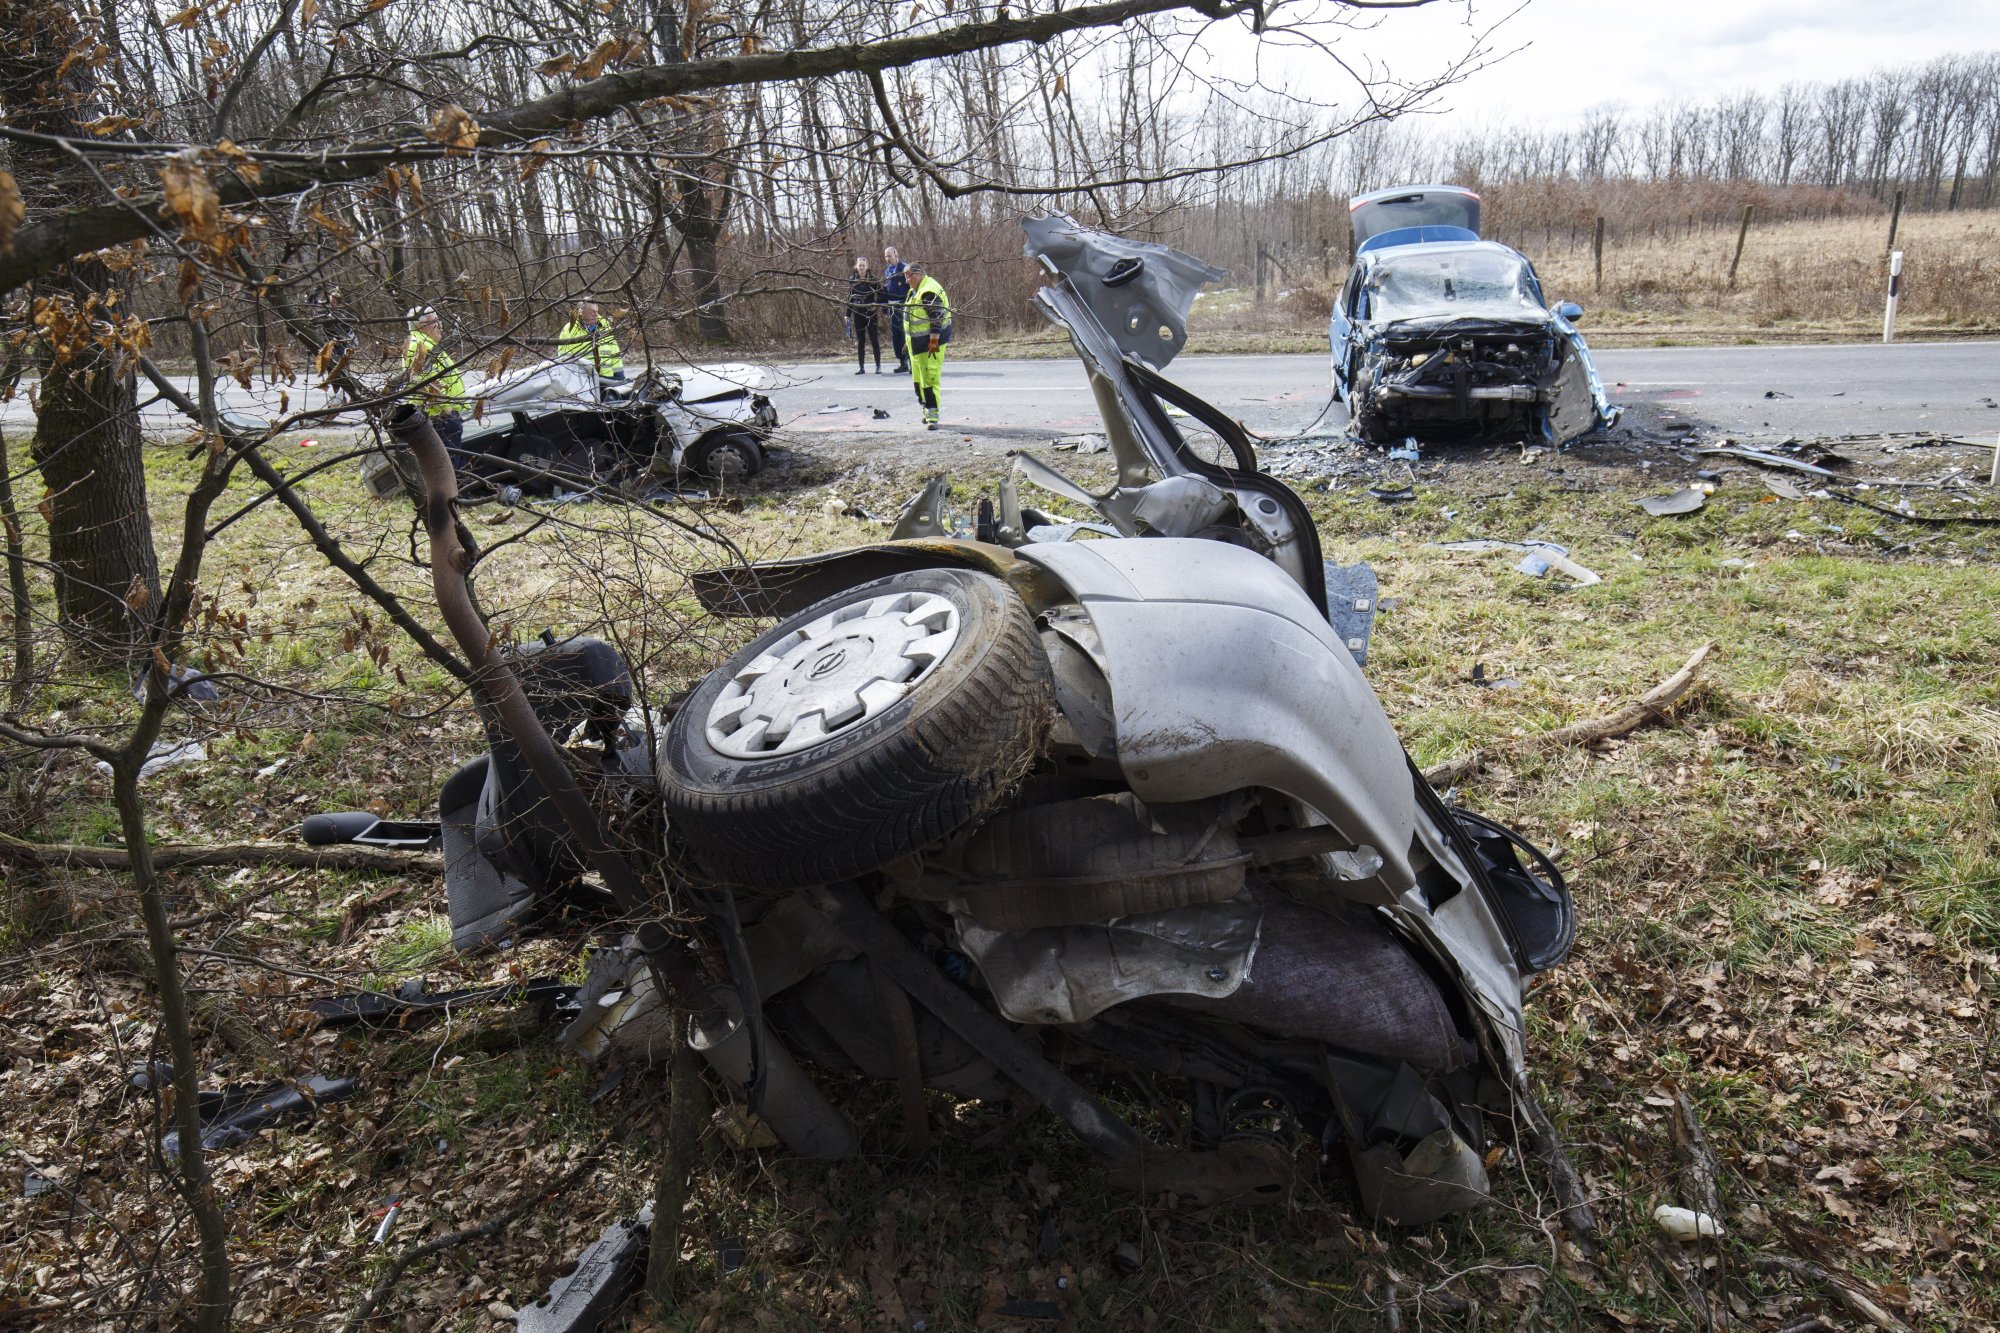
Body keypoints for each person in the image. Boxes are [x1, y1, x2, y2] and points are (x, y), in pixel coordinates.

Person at [402, 306, 468, 463]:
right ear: (420, 326)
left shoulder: (427, 344)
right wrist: (447, 411)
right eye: (435, 321)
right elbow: (426, 383)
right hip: (440, 418)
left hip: (442, 417)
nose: (440, 325)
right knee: (450, 471)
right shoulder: (420, 347)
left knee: (454, 468)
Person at [901, 260, 952, 430]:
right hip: (916, 345)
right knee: (919, 380)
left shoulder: (928, 291)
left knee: (930, 378)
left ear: (918, 275)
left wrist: (933, 341)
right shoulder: (914, 291)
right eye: (905, 276)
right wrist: (907, 344)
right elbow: (912, 321)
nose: (906, 280)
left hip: (929, 345)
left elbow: (936, 318)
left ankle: (932, 415)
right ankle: (925, 409)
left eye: (908, 276)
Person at [557, 300, 624, 386]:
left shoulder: (605, 326)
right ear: (582, 312)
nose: (596, 314)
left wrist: (620, 375)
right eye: (592, 311)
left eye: (596, 311)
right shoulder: (569, 330)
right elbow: (564, 358)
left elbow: (615, 353)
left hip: (607, 379)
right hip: (582, 381)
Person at [846, 257, 884, 375]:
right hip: (858, 314)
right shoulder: (852, 280)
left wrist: (876, 304)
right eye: (860, 265)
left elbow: (882, 295)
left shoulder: (873, 280)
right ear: (856, 267)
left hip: (870, 314)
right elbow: (850, 298)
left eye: (863, 265)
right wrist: (847, 314)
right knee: (861, 341)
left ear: (867, 266)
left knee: (874, 340)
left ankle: (878, 366)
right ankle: (861, 367)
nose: (861, 267)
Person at [881, 245, 911, 374]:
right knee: (896, 337)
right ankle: (902, 362)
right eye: (886, 256)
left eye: (890, 256)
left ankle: (911, 362)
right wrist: (884, 308)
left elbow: (911, 288)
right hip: (892, 307)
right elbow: (884, 291)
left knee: (906, 336)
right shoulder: (887, 271)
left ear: (896, 255)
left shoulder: (904, 268)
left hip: (903, 306)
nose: (888, 258)